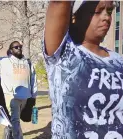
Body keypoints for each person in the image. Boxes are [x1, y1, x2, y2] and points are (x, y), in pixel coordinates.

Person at [44, 1, 123, 139]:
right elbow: (58, 3)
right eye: (97, 11)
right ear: (74, 16)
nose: (106, 17)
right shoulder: (65, 54)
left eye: (109, 12)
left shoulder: (119, 61)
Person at [0, 41, 38, 139]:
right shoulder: (3, 61)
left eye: (20, 47)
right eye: (16, 47)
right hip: (11, 96)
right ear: (11, 50)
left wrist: (33, 97)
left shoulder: (28, 62)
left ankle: (8, 136)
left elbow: (33, 80)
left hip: (26, 98)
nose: (19, 48)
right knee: (14, 121)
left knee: (13, 121)